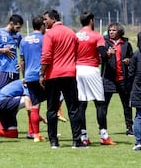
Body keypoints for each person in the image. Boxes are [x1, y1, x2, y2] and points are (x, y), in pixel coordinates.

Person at [40, 9, 81, 149]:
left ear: (53, 19)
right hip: (69, 74)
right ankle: (77, 140)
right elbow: (77, 51)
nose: (44, 22)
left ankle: (53, 141)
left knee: (51, 109)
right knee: (73, 109)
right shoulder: (71, 32)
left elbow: (46, 57)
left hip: (53, 75)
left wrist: (41, 74)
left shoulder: (49, 34)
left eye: (46, 19)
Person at [75, 11, 116, 146]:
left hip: (78, 70)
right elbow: (103, 55)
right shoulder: (97, 36)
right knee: (100, 103)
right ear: (91, 21)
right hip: (91, 70)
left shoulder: (76, 36)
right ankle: (104, 135)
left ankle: (84, 136)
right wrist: (109, 54)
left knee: (81, 104)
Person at [101, 22, 134, 136]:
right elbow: (100, 58)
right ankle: (103, 129)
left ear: (119, 31)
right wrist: (107, 55)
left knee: (127, 105)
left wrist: (129, 60)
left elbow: (132, 57)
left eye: (114, 30)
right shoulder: (104, 43)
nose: (111, 32)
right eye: (110, 30)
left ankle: (129, 128)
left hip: (122, 79)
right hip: (108, 79)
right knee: (104, 106)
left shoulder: (126, 44)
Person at [19, 16, 47, 142]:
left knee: (35, 103)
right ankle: (43, 132)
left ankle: (35, 134)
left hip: (29, 76)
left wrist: (24, 76)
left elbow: (22, 61)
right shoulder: (44, 39)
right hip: (41, 75)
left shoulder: (24, 40)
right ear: (42, 25)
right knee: (48, 103)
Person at [0, 14, 23, 92]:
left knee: (15, 96)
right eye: (17, 27)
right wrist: (2, 50)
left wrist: (21, 63)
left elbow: (22, 50)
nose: (18, 30)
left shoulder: (18, 36)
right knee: (2, 96)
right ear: (11, 23)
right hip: (3, 71)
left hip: (15, 71)